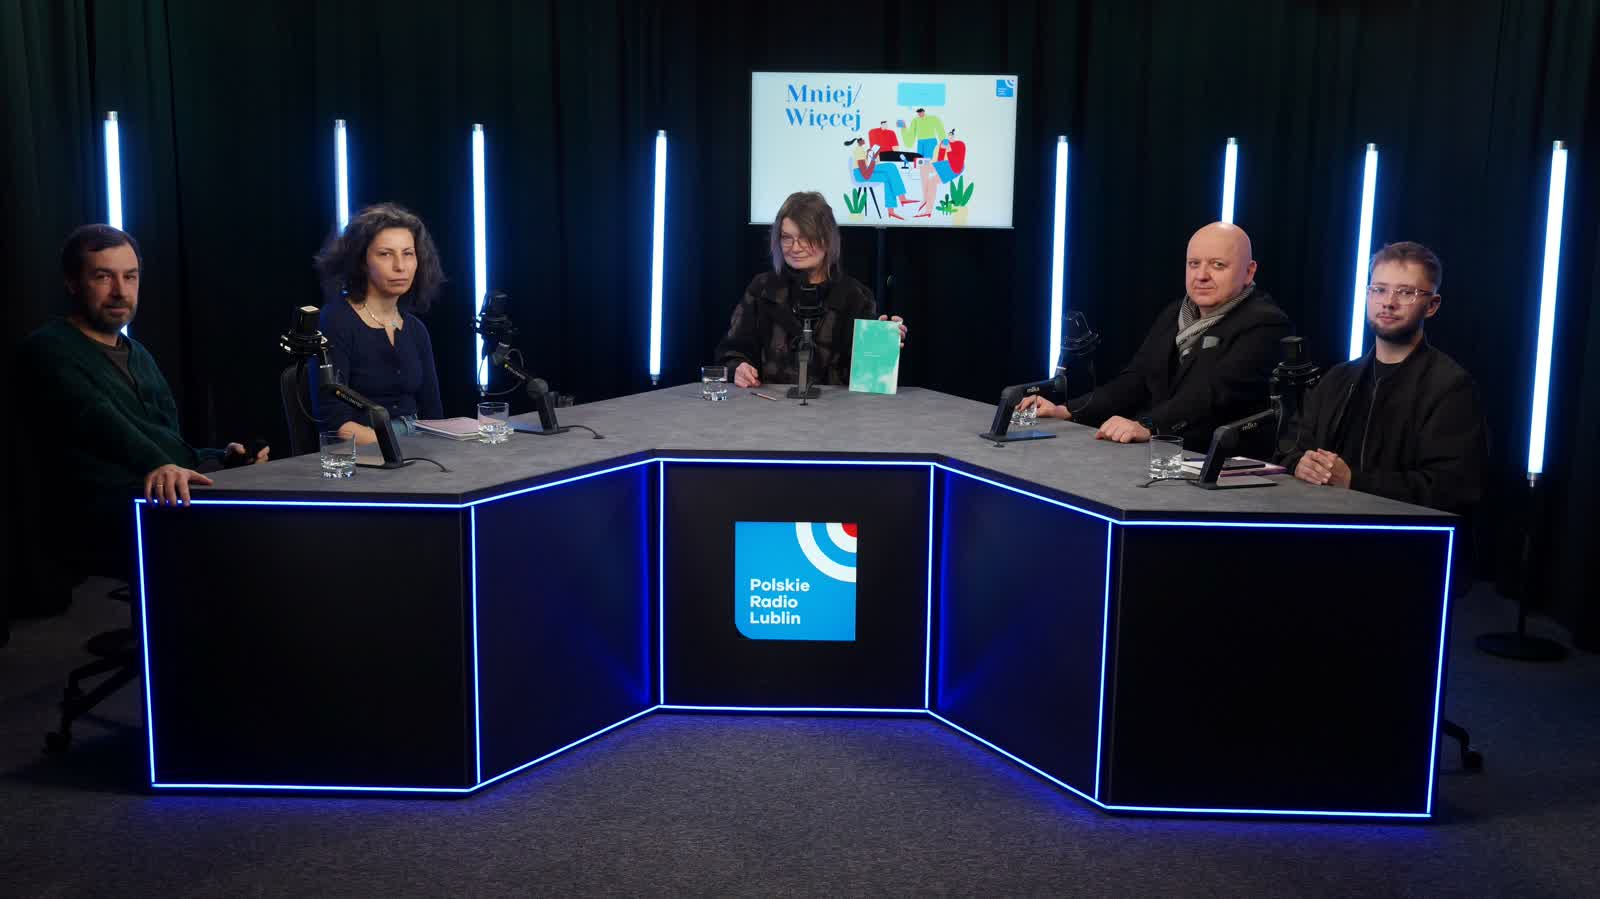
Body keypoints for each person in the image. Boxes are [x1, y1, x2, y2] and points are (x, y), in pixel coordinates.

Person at [19, 225, 269, 574]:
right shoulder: (49, 348)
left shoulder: (138, 354)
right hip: (103, 515)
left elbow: (165, 440)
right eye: (103, 277)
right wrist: (162, 465)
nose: (120, 291)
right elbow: (102, 424)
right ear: (73, 283)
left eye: (130, 276)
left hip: (158, 498)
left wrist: (220, 458)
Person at [1018, 222, 1291, 450]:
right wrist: (1067, 411)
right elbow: (1137, 380)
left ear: (1249, 272)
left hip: (1222, 462)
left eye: (1217, 265)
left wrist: (1147, 425)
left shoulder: (1265, 323)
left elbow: (1214, 394)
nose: (1201, 275)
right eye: (1193, 264)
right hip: (1164, 454)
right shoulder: (1175, 313)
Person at [1282, 242, 1486, 513]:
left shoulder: (1450, 387)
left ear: (1432, 305)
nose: (1389, 302)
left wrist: (1354, 481)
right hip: (1324, 526)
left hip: (1400, 535)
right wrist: (1300, 464)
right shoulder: (1337, 379)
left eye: (1406, 292)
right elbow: (1290, 450)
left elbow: (1453, 488)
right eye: (1379, 290)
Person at [716, 191, 907, 388]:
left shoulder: (856, 296)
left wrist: (882, 346)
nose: (795, 248)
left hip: (836, 405)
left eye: (805, 237)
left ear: (828, 239)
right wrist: (738, 368)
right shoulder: (763, 289)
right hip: (770, 402)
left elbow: (869, 377)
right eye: (786, 238)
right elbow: (731, 352)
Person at [313, 203, 446, 444]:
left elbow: (434, 415)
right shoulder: (335, 321)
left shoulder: (416, 329)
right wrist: (399, 448)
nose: (400, 266)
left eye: (408, 254)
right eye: (385, 254)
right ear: (362, 261)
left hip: (419, 440)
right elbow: (337, 424)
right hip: (365, 444)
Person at [845, 138, 914, 220]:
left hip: (864, 170)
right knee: (890, 168)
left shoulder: (861, 149)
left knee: (890, 169)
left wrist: (869, 154)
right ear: (860, 141)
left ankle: (893, 208)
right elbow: (866, 175)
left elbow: (865, 163)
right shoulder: (859, 151)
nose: (865, 140)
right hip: (860, 175)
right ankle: (901, 199)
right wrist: (873, 158)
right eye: (863, 139)